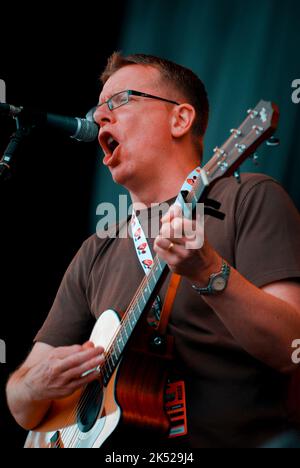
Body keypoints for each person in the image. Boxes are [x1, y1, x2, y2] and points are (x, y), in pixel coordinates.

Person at [6, 52, 300, 448]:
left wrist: (210, 272)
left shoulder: (249, 198)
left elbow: (292, 348)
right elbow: (22, 405)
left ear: (180, 119)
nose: (98, 119)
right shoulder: (97, 249)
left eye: (120, 101)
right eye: (97, 109)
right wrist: (35, 385)